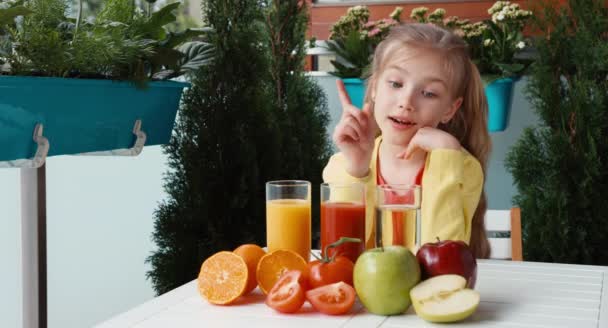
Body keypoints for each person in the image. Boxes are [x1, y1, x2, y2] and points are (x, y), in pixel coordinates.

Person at [323, 23, 491, 258]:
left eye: (429, 93)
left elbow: (445, 262)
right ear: (374, 89)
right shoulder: (343, 165)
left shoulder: (461, 168)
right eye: (395, 84)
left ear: (450, 109)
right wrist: (357, 172)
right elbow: (340, 256)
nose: (406, 101)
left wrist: (446, 153)